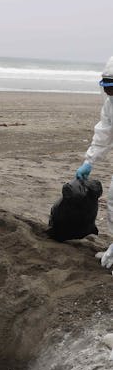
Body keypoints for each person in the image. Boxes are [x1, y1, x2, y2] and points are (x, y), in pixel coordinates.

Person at [75, 56, 113, 271]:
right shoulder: (110, 105)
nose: (109, 93)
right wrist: (89, 162)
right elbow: (104, 134)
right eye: (106, 88)